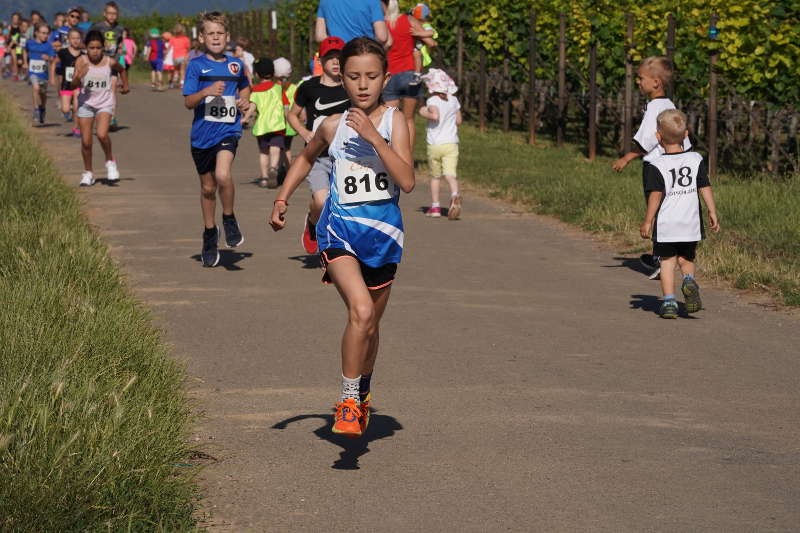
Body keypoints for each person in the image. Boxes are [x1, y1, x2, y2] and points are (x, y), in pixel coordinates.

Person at [270, 37, 415, 438]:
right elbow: (305, 156)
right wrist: (283, 197)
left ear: (386, 77)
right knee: (362, 313)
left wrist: (373, 138)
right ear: (342, 79)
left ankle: (362, 392)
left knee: (371, 325)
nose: (363, 84)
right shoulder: (331, 125)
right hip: (340, 233)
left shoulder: (395, 122)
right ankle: (348, 401)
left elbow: (407, 180)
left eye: (371, 76)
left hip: (384, 237)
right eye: (354, 76)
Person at [613, 56, 691, 279]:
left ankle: (660, 258)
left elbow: (648, 140)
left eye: (641, 78)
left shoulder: (656, 107)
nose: (638, 82)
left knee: (655, 211)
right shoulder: (669, 105)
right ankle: (668, 254)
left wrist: (626, 158)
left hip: (656, 167)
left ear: (656, 82)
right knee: (668, 210)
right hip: (673, 166)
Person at [183, 11, 251, 267]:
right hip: (201, 136)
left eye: (219, 33)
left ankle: (229, 217)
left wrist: (246, 100)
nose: (215, 37)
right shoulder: (196, 65)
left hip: (228, 130)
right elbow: (189, 102)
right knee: (208, 188)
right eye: (210, 33)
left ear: (228, 36)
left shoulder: (236, 64)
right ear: (201, 37)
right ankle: (210, 234)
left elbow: (244, 85)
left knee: (223, 175)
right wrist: (206, 92)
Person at [640, 109, 719, 318]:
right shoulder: (696, 159)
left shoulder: (657, 164)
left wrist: (648, 220)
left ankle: (668, 303)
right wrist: (712, 210)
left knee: (667, 263)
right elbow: (705, 186)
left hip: (667, 225)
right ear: (686, 135)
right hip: (690, 223)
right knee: (686, 259)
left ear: (658, 137)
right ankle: (689, 281)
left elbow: (655, 195)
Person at [286, 36, 350, 254]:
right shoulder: (308, 87)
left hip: (345, 156)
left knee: (344, 205)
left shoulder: (352, 87)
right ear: (320, 60)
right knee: (321, 201)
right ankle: (312, 224)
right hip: (317, 156)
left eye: (339, 58)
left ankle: (343, 248)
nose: (335, 62)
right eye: (329, 58)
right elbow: (292, 115)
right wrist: (304, 132)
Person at [72, 30, 129, 186]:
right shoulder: (81, 61)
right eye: (91, 48)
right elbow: (72, 85)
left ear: (103, 48)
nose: (95, 51)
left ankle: (110, 161)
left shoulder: (109, 62)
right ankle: (88, 172)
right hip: (86, 104)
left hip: (104, 103)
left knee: (102, 134)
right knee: (86, 142)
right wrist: (78, 76)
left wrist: (125, 85)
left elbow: (122, 69)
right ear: (86, 48)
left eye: (98, 48)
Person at [382, 0, 436, 151]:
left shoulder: (380, 23)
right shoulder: (409, 20)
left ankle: (390, 156)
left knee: (389, 120)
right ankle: (407, 158)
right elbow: (431, 43)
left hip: (389, 75)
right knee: (409, 119)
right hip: (410, 74)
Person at [419, 68, 462, 219]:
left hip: (435, 144)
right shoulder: (454, 100)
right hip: (451, 143)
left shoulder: (432, 101)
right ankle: (455, 194)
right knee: (450, 174)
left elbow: (435, 115)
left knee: (435, 177)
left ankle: (435, 207)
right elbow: (459, 121)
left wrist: (423, 111)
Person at [249, 58, 290, 189]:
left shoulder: (255, 90)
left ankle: (265, 178)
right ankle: (273, 168)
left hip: (261, 127)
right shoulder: (278, 88)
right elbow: (286, 107)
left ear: (256, 75)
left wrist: (245, 118)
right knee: (275, 148)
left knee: (263, 152)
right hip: (277, 125)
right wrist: (290, 119)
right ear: (273, 73)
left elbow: (252, 107)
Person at [24, 23, 56, 125]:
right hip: (32, 72)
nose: (45, 35)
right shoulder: (30, 43)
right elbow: (25, 51)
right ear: (36, 33)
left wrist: (48, 58)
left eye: (47, 33)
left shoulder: (48, 46)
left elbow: (52, 59)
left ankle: (43, 109)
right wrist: (25, 62)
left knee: (43, 94)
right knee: (36, 88)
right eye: (43, 33)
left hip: (43, 74)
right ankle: (36, 109)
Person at [315, 0, 388, 44]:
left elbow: (320, 36)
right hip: (364, 54)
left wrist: (337, 44)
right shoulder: (373, 1)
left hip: (337, 55)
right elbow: (382, 37)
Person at [57, 28, 83, 136]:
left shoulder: (83, 54)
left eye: (78, 38)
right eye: (73, 38)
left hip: (78, 84)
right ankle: (69, 109)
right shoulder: (63, 52)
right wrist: (54, 77)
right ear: (68, 39)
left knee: (78, 105)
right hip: (66, 84)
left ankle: (76, 128)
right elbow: (55, 63)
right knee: (65, 109)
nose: (75, 40)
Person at [409, 3, 437, 83]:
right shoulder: (418, 24)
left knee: (417, 55)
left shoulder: (426, 25)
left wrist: (417, 33)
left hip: (421, 49)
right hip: (417, 47)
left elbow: (430, 32)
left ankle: (417, 75)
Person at [171, 24, 190, 88]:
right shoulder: (186, 39)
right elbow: (188, 49)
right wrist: (187, 57)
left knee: (176, 70)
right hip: (183, 57)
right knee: (182, 71)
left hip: (175, 57)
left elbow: (170, 48)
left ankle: (174, 82)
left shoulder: (173, 39)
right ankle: (182, 83)